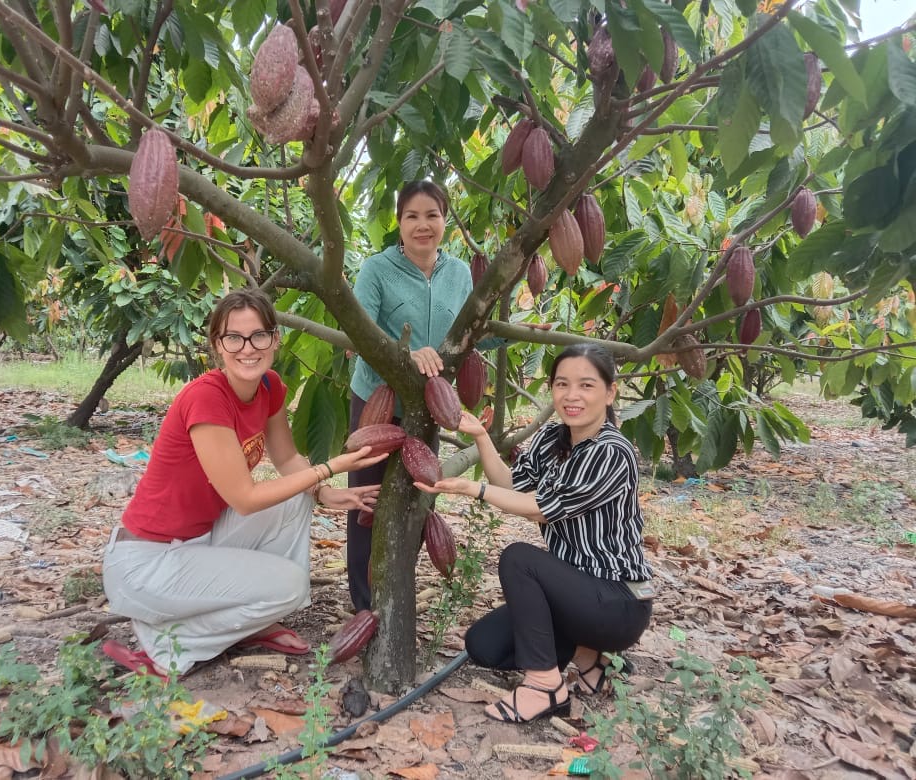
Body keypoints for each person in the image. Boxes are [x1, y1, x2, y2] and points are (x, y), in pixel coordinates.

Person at [101, 289, 386, 677]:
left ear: (275, 339)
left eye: (258, 336)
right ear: (217, 345)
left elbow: (286, 459)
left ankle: (253, 620)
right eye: (233, 337)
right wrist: (329, 468)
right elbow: (244, 499)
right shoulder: (206, 398)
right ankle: (167, 646)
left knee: (296, 499)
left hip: (195, 543)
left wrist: (324, 492)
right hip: (145, 565)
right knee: (290, 587)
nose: (247, 348)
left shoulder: (269, 387)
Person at [415, 344, 653, 723]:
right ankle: (591, 659)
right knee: (484, 646)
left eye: (586, 385)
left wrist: (472, 489)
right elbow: (511, 486)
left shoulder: (611, 452)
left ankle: (545, 687)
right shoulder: (552, 439)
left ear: (610, 393)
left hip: (619, 602)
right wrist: (481, 437)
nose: (572, 395)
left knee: (519, 560)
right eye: (562, 384)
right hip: (575, 594)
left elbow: (541, 508)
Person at [345, 180, 478, 612]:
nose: (423, 225)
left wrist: (519, 331)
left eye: (432, 215)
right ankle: (365, 606)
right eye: (412, 216)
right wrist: (407, 353)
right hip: (378, 401)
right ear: (399, 223)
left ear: (445, 221)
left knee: (415, 500)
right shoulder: (377, 270)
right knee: (367, 503)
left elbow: (469, 334)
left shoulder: (459, 273)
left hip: (427, 408)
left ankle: (394, 592)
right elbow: (358, 337)